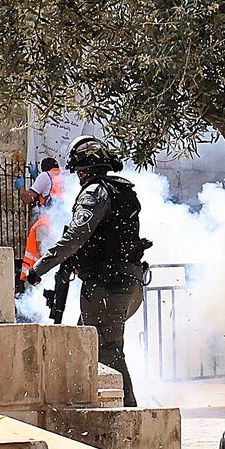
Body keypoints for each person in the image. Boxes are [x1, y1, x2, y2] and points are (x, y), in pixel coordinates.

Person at [27, 135, 148, 406]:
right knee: (87, 346)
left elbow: (76, 236)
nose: (78, 177)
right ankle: (90, 406)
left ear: (85, 169)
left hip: (108, 285)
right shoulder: (120, 190)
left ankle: (126, 415)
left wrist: (40, 268)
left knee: (105, 351)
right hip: (128, 282)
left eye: (79, 172)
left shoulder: (94, 192)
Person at [18, 157, 63, 293]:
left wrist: (20, 187)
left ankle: (35, 286)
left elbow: (28, 198)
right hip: (63, 222)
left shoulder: (45, 176)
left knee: (41, 255)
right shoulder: (64, 176)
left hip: (48, 223)